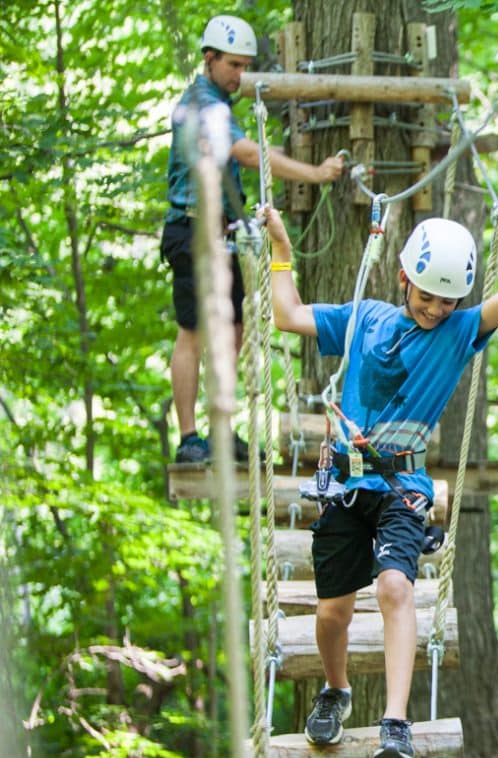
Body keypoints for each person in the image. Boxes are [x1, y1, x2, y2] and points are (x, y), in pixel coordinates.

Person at [263, 202, 498, 758]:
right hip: (345, 485)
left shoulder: (460, 332)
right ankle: (336, 690)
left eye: (448, 300)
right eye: (427, 296)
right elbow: (287, 316)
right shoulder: (364, 317)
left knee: (395, 587)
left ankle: (396, 722)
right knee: (331, 615)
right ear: (403, 279)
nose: (437, 309)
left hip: (404, 486)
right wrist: (281, 254)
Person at [164, 14, 345, 464]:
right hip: (192, 230)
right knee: (193, 332)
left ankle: (221, 433)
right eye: (233, 65)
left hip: (221, 233)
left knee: (233, 330)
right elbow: (246, 154)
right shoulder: (203, 101)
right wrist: (315, 174)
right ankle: (190, 438)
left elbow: (253, 147)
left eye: (246, 66)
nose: (240, 75)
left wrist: (303, 158)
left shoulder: (221, 105)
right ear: (209, 59)